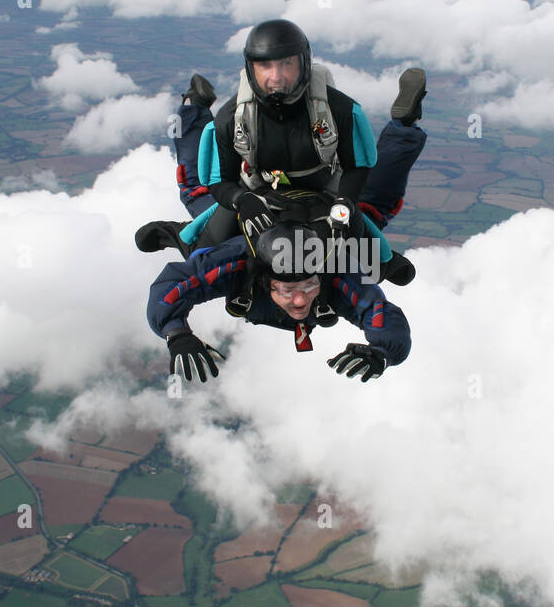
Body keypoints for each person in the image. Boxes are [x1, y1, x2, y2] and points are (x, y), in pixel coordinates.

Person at [137, 23, 427, 285]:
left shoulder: (340, 109)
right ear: (251, 68)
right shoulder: (231, 118)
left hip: (326, 186)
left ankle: (193, 107)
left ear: (304, 63)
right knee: (374, 206)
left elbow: (358, 166)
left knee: (196, 198)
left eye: (286, 64)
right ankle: (403, 126)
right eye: (265, 66)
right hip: (256, 190)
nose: (276, 77)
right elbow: (218, 180)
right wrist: (242, 200)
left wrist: (344, 202)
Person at [147, 221, 411, 384]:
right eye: (287, 290)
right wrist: (176, 333)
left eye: (310, 286)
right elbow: (172, 286)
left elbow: (379, 310)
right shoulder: (236, 263)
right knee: (202, 242)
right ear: (264, 281)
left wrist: (383, 354)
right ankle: (177, 231)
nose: (299, 300)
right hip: (245, 225)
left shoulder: (336, 272)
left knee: (370, 216)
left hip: (318, 222)